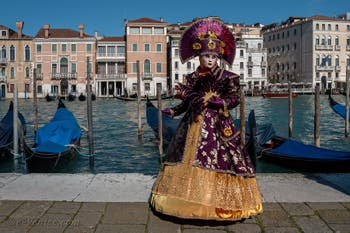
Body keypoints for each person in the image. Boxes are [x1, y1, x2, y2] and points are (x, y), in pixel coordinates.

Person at [150, 17, 263, 221]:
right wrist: (174, 111)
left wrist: (222, 103)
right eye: (206, 55)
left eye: (213, 56)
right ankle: (188, 200)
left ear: (218, 56)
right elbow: (188, 102)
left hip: (219, 125)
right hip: (193, 124)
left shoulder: (228, 77)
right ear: (198, 56)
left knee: (221, 159)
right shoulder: (193, 78)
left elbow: (234, 98)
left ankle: (219, 202)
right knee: (186, 158)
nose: (210, 59)